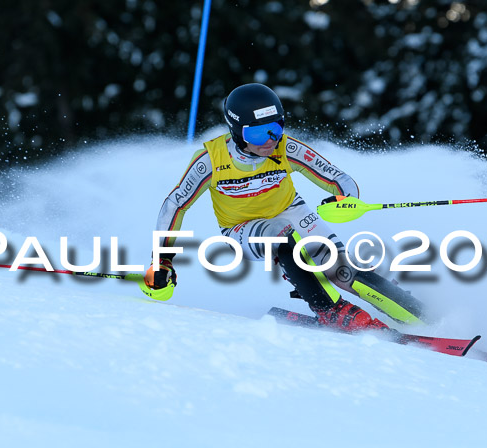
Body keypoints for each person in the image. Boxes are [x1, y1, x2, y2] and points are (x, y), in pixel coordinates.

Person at [143, 83, 424, 332]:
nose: (269, 140)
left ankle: (418, 313)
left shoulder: (284, 148)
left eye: (276, 128)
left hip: (292, 211)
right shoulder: (210, 160)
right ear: (237, 131)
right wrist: (163, 260)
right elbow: (176, 205)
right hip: (241, 230)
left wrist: (343, 198)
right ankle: (331, 311)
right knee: (281, 233)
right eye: (257, 134)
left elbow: (339, 178)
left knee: (341, 270)